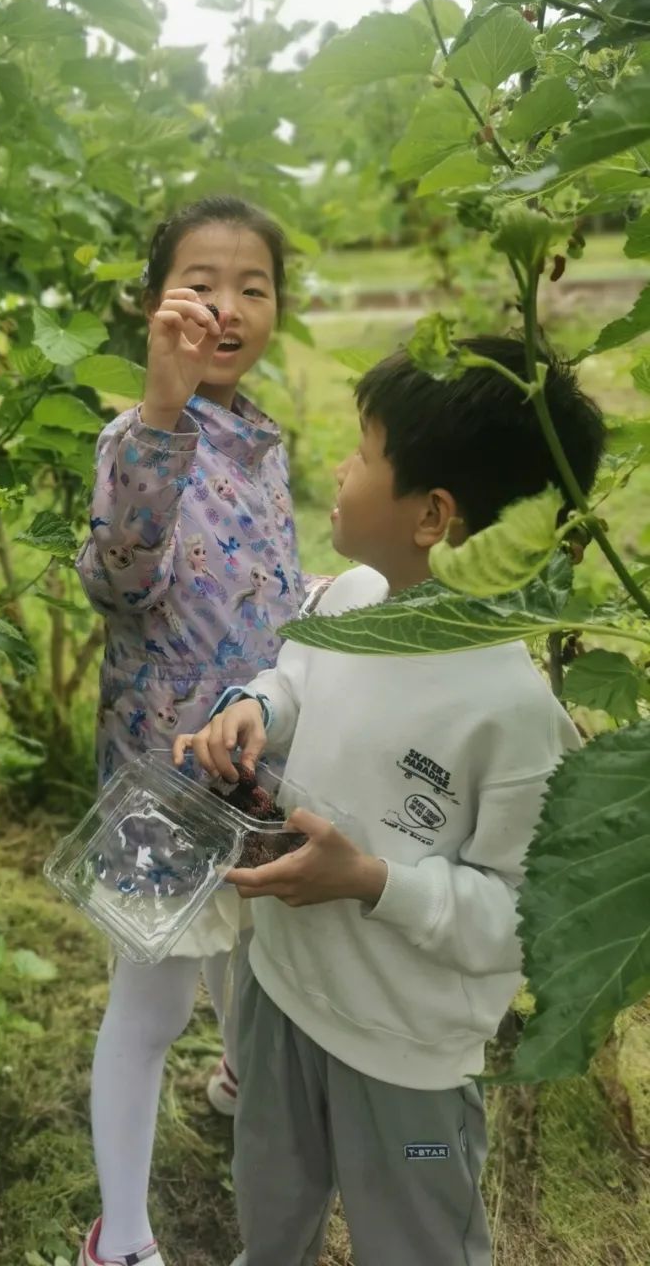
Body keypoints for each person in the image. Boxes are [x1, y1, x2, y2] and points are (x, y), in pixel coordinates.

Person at [174, 335, 606, 1266]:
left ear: (434, 516)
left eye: (365, 452)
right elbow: (297, 677)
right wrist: (254, 709)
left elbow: (522, 919)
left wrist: (372, 879)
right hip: (283, 994)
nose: (340, 464)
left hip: (403, 1056)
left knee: (414, 1238)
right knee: (271, 1200)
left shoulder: (512, 716)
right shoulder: (352, 601)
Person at [74, 197, 315, 1266]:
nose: (227, 307)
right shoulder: (136, 439)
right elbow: (120, 582)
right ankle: (119, 1233)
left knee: (248, 938)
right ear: (154, 301)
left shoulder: (265, 440)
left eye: (252, 287)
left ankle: (230, 1084)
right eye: (200, 284)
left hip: (252, 761)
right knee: (153, 997)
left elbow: (268, 583)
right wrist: (161, 413)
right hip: (161, 777)